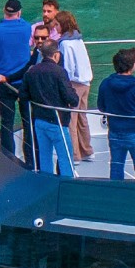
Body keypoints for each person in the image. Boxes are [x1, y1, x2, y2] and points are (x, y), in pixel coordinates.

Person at [20, 42, 81, 176]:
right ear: (56, 54)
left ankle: (47, 185)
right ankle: (67, 186)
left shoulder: (32, 71)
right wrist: (74, 98)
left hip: (39, 120)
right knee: (65, 158)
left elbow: (23, 95)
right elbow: (71, 97)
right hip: (58, 122)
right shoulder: (59, 72)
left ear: (41, 54)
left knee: (44, 157)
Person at [97, 47, 135, 181]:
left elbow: (101, 107)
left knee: (116, 168)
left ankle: (116, 195)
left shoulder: (105, 84)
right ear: (132, 66)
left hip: (114, 132)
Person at [0, 0, 35, 162]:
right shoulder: (26, 27)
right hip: (24, 81)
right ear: (19, 12)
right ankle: (30, 158)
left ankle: (8, 159)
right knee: (27, 121)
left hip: (3, 81)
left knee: (6, 122)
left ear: (4, 11)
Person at [56, 11, 96, 162]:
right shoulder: (78, 38)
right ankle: (87, 150)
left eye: (58, 25)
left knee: (71, 119)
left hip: (74, 84)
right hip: (86, 82)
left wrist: (65, 83)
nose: (56, 28)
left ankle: (74, 155)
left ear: (63, 25)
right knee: (82, 117)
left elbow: (68, 67)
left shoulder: (65, 44)